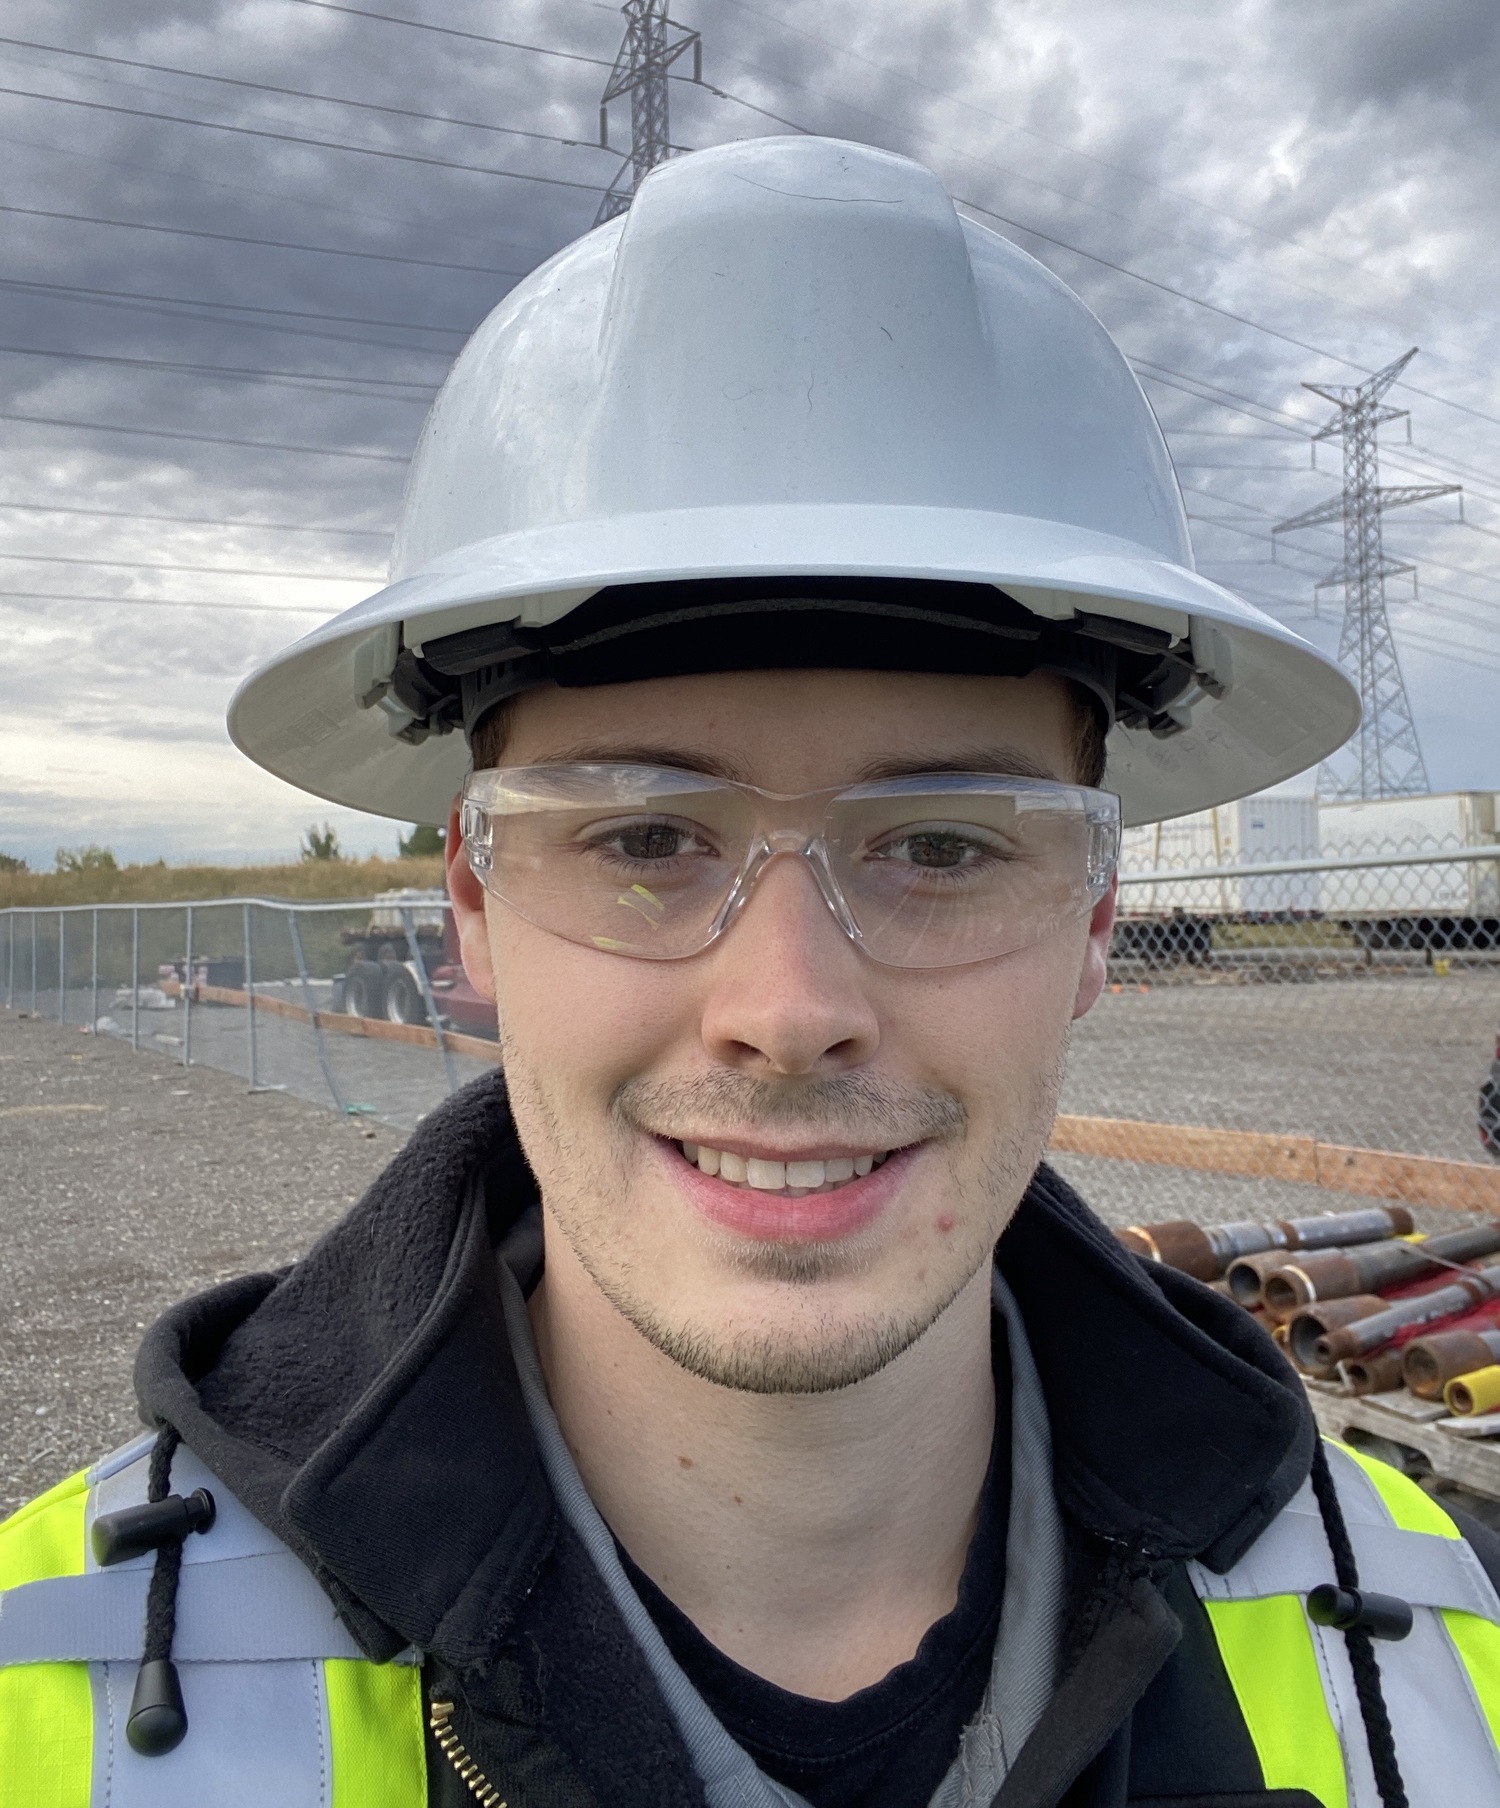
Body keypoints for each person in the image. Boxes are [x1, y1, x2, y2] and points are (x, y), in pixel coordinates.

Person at [3, 137, 1497, 1808]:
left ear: (1094, 917)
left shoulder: (1427, 1646)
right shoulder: (56, 1686)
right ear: (475, 908)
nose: (787, 1011)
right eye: (646, 838)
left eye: (944, 845)